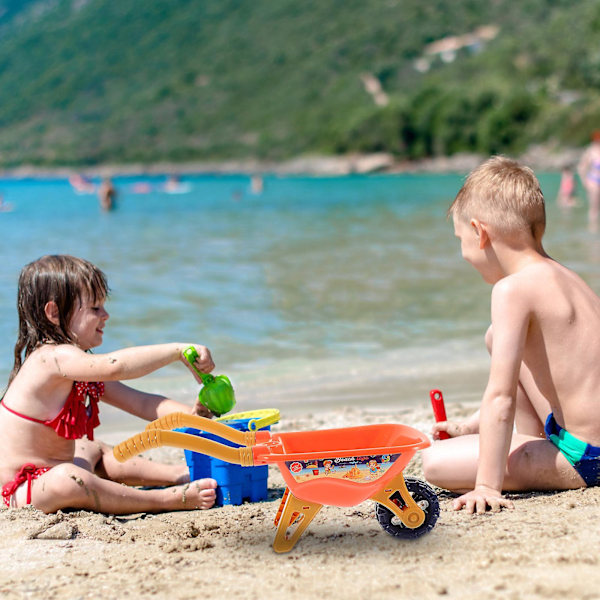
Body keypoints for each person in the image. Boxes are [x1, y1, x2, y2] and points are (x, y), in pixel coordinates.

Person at [421, 156, 600, 514]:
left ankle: (531, 451)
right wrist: (472, 426)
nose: (464, 253)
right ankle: (531, 441)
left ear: (479, 231)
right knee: (496, 337)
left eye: (461, 239)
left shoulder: (511, 290)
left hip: (587, 455)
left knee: (434, 463)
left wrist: (486, 486)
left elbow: (501, 397)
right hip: (585, 434)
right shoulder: (567, 277)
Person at [0, 255, 218, 514]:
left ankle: (179, 474)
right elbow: (115, 365)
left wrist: (197, 420)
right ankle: (166, 500)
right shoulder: (51, 358)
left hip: (56, 472)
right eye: (95, 308)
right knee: (68, 480)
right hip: (22, 489)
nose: (106, 315)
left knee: (90, 448)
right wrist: (178, 351)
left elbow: (144, 403)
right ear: (54, 313)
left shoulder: (78, 367)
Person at [577, 130, 600, 231]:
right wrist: (584, 181)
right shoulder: (590, 151)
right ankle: (593, 230)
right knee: (594, 207)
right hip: (593, 181)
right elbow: (581, 167)